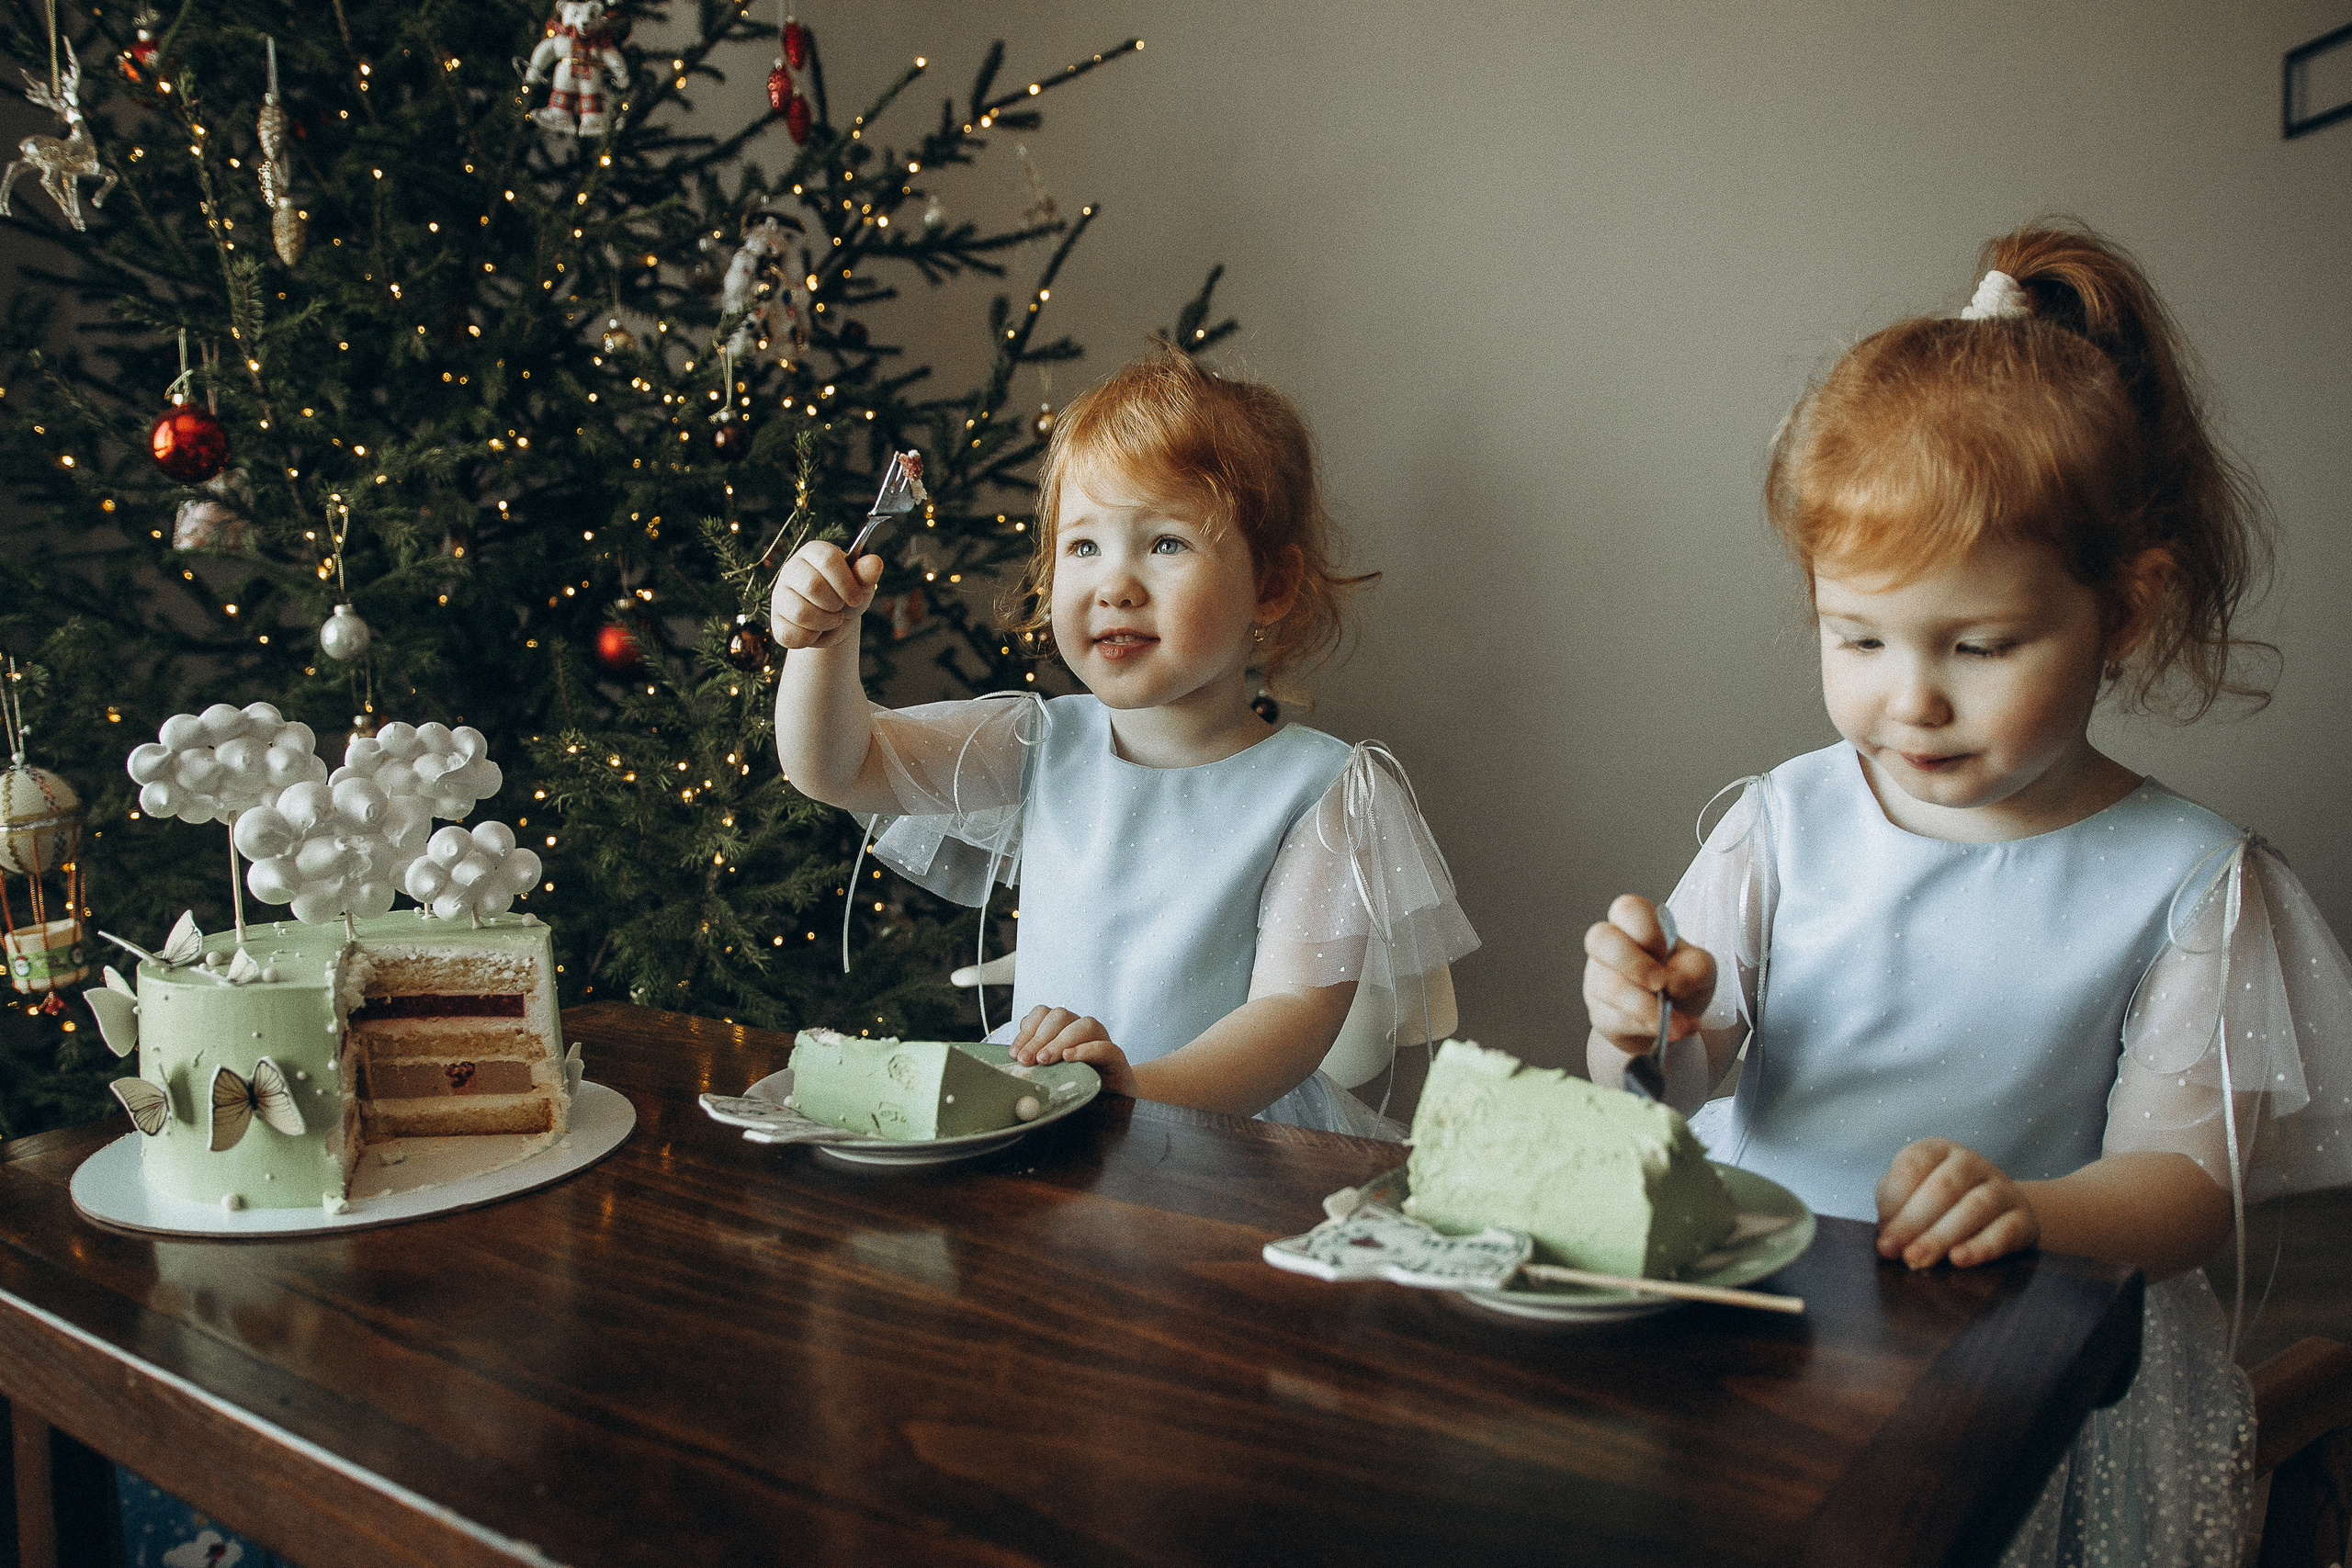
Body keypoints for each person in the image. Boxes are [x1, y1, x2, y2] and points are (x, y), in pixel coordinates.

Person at [1582, 221, 2352, 1566]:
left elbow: (2183, 1185)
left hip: (2006, 1356)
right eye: (1858, 636)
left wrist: (2030, 1207)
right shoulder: (1785, 820)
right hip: (1755, 1314)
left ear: (2124, 606)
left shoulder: (2188, 880)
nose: (1912, 696)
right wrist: (1644, 1023)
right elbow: (1675, 1086)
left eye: (1981, 644)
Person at [772, 346, 1476, 1137]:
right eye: (1083, 546)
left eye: (1165, 543)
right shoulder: (1039, 740)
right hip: (1036, 1109)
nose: (1115, 584)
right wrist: (822, 643)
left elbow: (1291, 1021)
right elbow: (837, 766)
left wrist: (1134, 1088)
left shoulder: (1321, 789)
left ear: (1270, 587)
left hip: (1212, 1135)